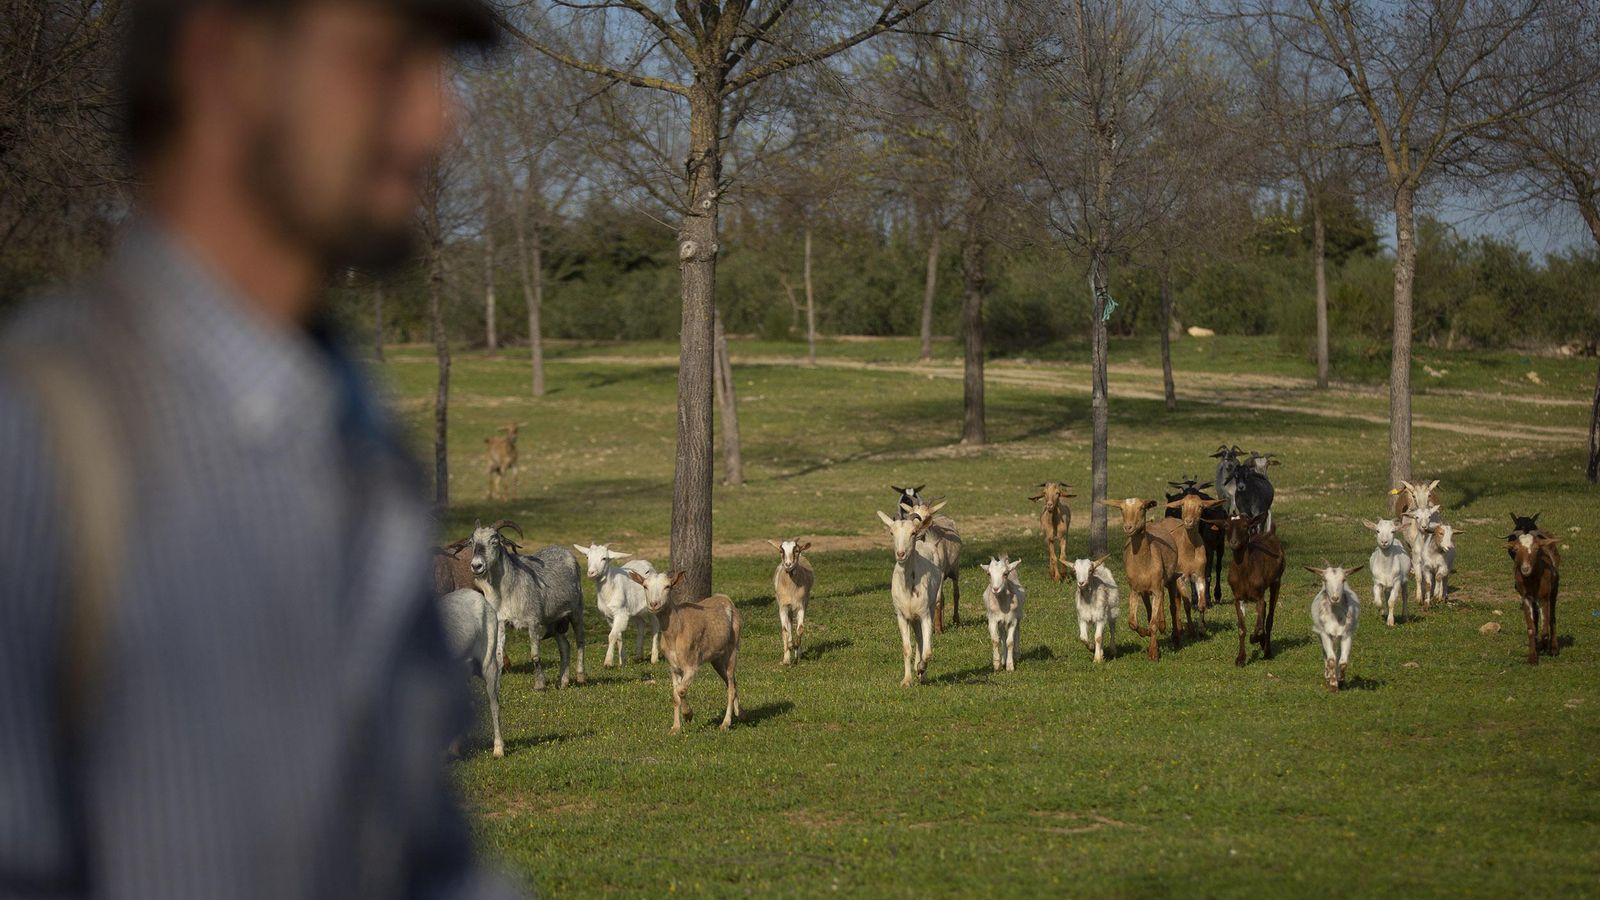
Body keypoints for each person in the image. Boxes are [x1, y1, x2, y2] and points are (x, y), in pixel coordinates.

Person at [0, 0, 523, 896]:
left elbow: (418, 851)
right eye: (384, 63)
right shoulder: (36, 449)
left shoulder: (350, 426)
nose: (442, 116)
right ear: (220, 65)